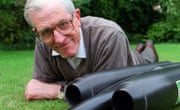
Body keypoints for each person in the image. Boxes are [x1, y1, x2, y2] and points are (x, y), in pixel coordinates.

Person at [23, 0, 159, 100]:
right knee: (135, 50)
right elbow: (40, 85)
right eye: (46, 31)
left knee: (148, 58)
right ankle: (139, 48)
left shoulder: (109, 35)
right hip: (119, 53)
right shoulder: (43, 41)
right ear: (37, 31)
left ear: (77, 17)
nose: (59, 39)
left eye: (63, 24)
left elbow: (106, 93)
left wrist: (59, 91)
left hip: (140, 63)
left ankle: (148, 47)